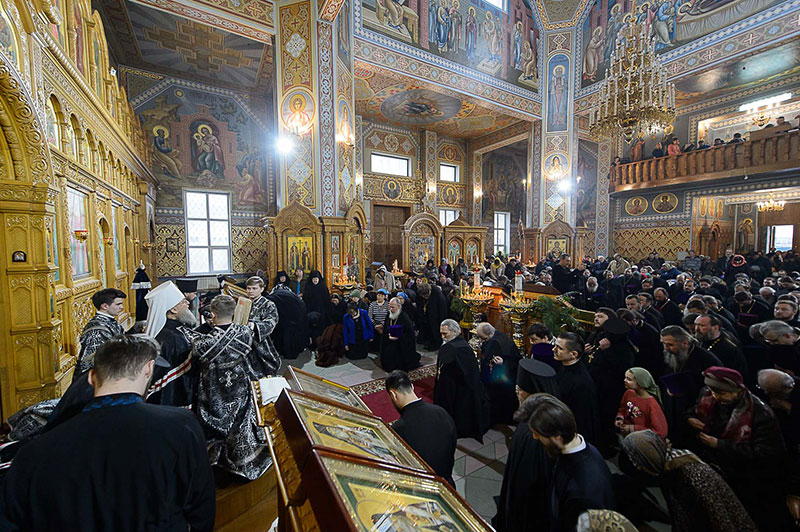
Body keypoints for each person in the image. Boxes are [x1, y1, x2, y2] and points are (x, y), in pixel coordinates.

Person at [1, 335, 216, 531]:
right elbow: (201, 507)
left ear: (91, 377)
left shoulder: (34, 452)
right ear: (149, 368)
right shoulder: (181, 427)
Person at [688, 366, 792, 531]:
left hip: (750, 480)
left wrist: (719, 445)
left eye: (721, 393)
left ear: (737, 391)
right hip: (720, 471)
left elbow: (766, 454)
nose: (715, 396)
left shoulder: (760, 413)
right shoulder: (708, 397)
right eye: (713, 392)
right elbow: (694, 411)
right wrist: (690, 419)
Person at [191, 295, 271, 481]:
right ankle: (242, 457)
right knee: (240, 421)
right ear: (234, 312)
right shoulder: (245, 333)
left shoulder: (204, 342)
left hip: (214, 388)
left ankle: (217, 462)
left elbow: (196, 351)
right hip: (239, 383)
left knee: (215, 424)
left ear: (212, 314)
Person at [621, 430, 758, 532]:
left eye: (636, 458)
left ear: (649, 456)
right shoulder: (668, 469)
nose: (636, 465)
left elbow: (720, 518)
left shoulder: (691, 474)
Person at [527, 394, 615, 531]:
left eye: (538, 433)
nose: (534, 437)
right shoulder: (579, 448)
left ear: (557, 436)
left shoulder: (583, 492)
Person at [494, 359, 560, 532]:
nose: (517, 392)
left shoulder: (532, 430)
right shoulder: (552, 415)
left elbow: (524, 478)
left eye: (520, 389)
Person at [385, 370, 456, 484]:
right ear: (412, 387)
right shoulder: (441, 412)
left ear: (393, 394)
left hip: (422, 488)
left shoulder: (399, 429)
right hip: (447, 482)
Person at [659, 325, 721, 447]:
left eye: (670, 345)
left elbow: (712, 389)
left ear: (685, 343)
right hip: (675, 408)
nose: (666, 348)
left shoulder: (706, 359)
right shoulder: (672, 353)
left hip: (695, 409)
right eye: (663, 344)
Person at [434, 319, 489, 441]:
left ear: (455, 332)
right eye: (441, 333)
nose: (443, 337)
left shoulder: (461, 348)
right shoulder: (449, 344)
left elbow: (467, 373)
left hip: (458, 388)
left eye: (445, 334)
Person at [144, 281, 196, 407]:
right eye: (183, 302)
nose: (188, 304)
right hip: (174, 398)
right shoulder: (172, 337)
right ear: (173, 309)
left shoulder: (175, 330)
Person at [553, 332, 600, 445]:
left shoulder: (581, 382)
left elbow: (581, 419)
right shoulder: (565, 366)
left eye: (559, 348)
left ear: (573, 354)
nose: (553, 349)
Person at [73, 288, 127, 381]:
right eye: (118, 304)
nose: (121, 307)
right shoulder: (96, 330)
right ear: (104, 306)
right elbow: (95, 361)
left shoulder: (110, 321)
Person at [476, 322, 521, 426]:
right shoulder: (494, 336)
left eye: (483, 338)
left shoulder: (502, 343)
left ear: (490, 334)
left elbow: (514, 361)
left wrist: (503, 362)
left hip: (504, 380)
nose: (482, 341)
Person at [615, 367, 668, 439]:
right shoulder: (629, 393)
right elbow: (623, 408)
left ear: (641, 382)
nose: (625, 380)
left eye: (629, 379)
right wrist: (620, 419)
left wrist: (633, 429)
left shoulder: (651, 404)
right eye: (625, 378)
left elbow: (660, 432)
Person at [245, 276, 281, 376]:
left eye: (254, 288)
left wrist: (253, 325)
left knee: (264, 371)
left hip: (261, 344)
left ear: (262, 289)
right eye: (248, 288)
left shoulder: (268, 304)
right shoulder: (244, 303)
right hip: (244, 343)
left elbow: (271, 323)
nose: (250, 291)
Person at [693, 314, 748, 378]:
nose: (696, 329)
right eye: (696, 325)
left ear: (715, 327)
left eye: (702, 325)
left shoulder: (729, 349)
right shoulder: (699, 343)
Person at [268, 281, 309, 360]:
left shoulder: (274, 295)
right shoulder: (291, 294)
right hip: (296, 316)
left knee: (283, 335)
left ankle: (281, 351)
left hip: (284, 318)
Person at [380, 297, 420, 372]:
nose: (390, 309)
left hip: (401, 345)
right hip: (389, 343)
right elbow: (385, 330)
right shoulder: (389, 315)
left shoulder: (404, 317)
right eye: (390, 307)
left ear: (398, 306)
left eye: (393, 307)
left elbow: (410, 335)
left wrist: (399, 337)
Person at [302, 270, 331, 352]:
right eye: (314, 279)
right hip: (310, 312)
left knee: (320, 330)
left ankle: (320, 344)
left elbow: (327, 301)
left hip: (321, 312)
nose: (315, 280)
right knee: (311, 330)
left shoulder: (323, 287)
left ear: (319, 279)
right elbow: (305, 300)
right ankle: (313, 344)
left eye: (316, 279)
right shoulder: (308, 287)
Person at [417, 282, 448, 350]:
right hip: (427, 317)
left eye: (426, 296)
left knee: (435, 332)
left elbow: (443, 310)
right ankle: (429, 343)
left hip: (437, 318)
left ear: (429, 291)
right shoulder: (422, 293)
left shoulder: (438, 295)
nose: (424, 297)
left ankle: (435, 345)